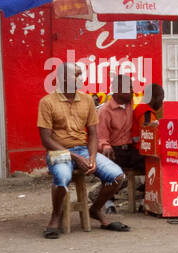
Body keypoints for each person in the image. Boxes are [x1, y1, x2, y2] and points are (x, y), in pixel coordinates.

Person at [37, 63, 128, 238]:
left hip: (83, 150)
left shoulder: (86, 100)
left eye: (81, 74)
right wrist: (75, 157)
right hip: (59, 151)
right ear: (63, 78)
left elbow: (93, 133)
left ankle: (96, 209)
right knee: (62, 177)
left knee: (117, 176)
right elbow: (46, 139)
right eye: (76, 75)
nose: (81, 78)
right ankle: (55, 217)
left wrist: (92, 157)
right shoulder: (47, 102)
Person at [97, 74, 143, 173]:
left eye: (132, 87)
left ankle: (146, 187)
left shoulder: (129, 102)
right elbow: (101, 138)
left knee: (152, 158)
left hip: (130, 149)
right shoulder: (105, 111)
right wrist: (105, 146)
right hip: (115, 151)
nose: (132, 90)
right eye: (128, 87)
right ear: (116, 90)